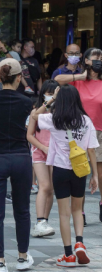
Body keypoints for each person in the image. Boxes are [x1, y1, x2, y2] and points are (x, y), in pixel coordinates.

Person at [32, 84, 99, 267]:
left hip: (60, 170)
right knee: (77, 209)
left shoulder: (55, 119)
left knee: (64, 214)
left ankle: (68, 255)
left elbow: (34, 116)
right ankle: (79, 242)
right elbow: (91, 150)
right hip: (80, 170)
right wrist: (94, 176)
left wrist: (51, 99)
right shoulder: (86, 120)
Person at [54, 48, 102, 224]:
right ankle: (80, 211)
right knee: (80, 173)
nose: (99, 60)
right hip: (77, 132)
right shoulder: (77, 80)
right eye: (95, 57)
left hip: (100, 131)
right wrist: (79, 77)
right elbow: (56, 80)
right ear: (86, 60)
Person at [0, 58, 34, 271]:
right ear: (19, 77)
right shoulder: (27, 102)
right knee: (22, 209)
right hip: (21, 156)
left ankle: (0, 261)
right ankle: (22, 257)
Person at [27, 80, 59, 238]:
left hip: (55, 152)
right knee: (44, 186)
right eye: (49, 93)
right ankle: (39, 222)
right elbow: (29, 135)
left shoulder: (59, 111)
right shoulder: (37, 111)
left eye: (55, 94)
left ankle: (44, 221)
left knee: (51, 189)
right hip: (40, 151)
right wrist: (43, 147)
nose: (52, 96)